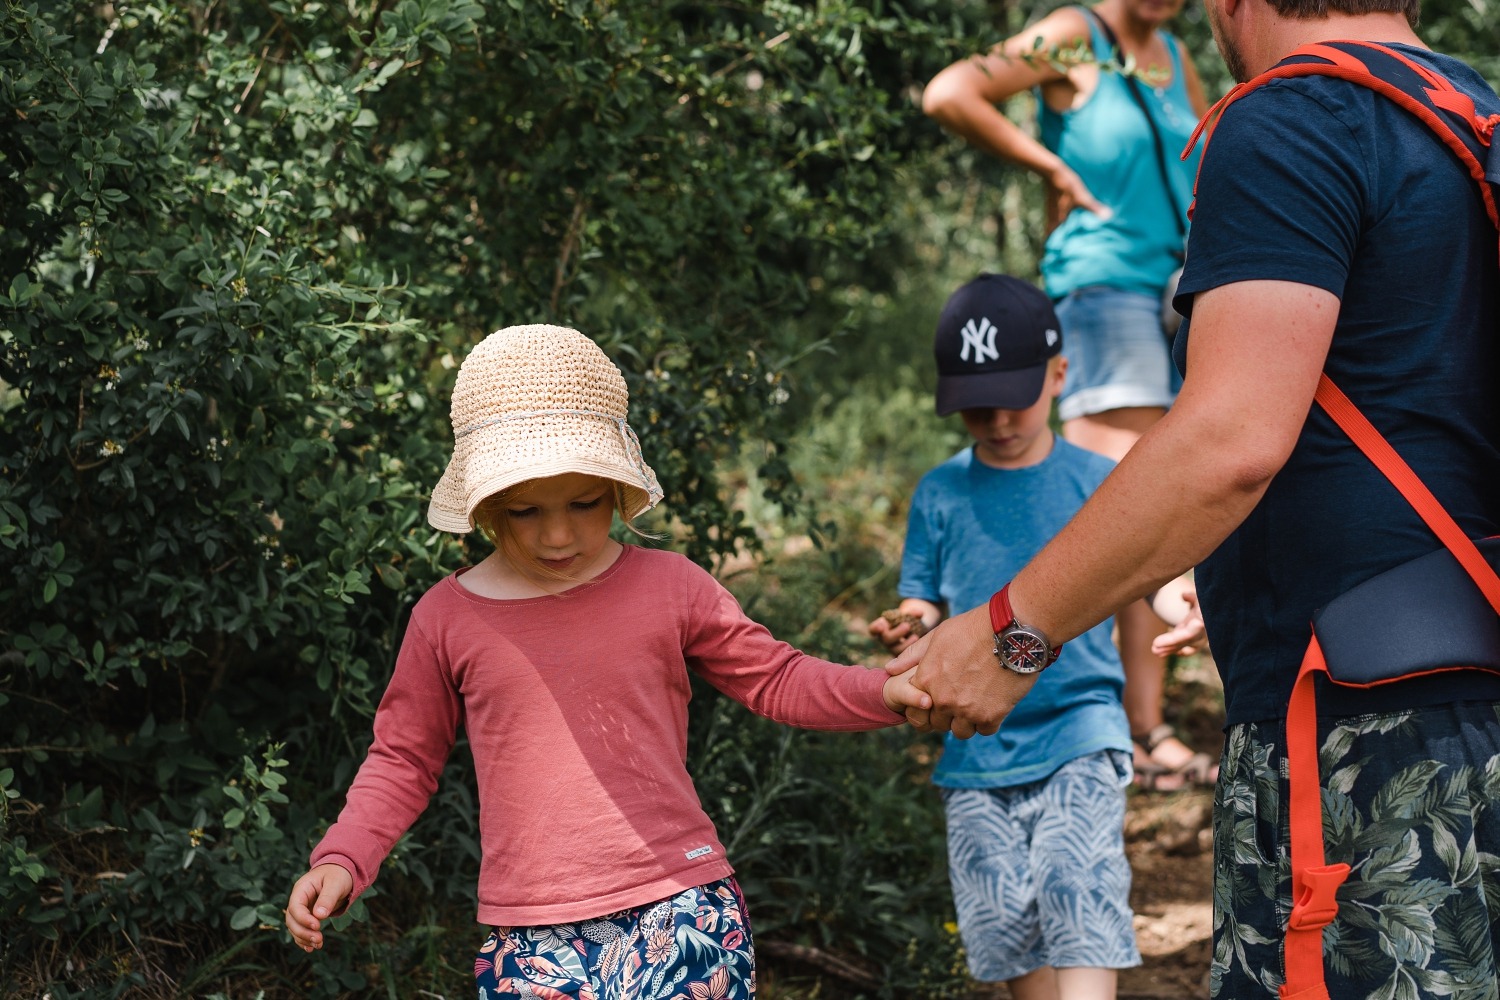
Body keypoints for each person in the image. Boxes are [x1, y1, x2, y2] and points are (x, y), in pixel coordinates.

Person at [892, 0, 1500, 995]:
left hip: (1359, 725)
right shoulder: (1469, 113)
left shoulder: (1297, 114)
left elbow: (1227, 442)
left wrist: (1012, 632)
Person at [283, 325, 930, 999]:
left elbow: (779, 679)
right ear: (484, 506)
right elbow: (403, 758)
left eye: (585, 503)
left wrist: (885, 691)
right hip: (530, 940)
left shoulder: (672, 586)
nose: (558, 534)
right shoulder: (446, 618)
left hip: (682, 912)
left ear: (617, 489)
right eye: (526, 510)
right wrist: (345, 856)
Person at [922, 0, 1216, 790]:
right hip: (1102, 288)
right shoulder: (1075, 33)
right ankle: (1094, 719)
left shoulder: (1173, 53)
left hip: (1176, 287)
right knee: (1130, 499)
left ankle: (1138, 725)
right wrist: (1048, 166)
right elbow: (951, 91)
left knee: (1149, 505)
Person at [867, 273, 1143, 1000]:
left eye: (1012, 401)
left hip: (1080, 724)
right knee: (1007, 919)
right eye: (974, 409)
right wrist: (911, 624)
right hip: (976, 745)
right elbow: (925, 599)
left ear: (1059, 373)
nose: (996, 422)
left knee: (1079, 886)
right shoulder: (941, 492)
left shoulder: (1099, 480)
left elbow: (1143, 584)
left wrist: (1176, 621)